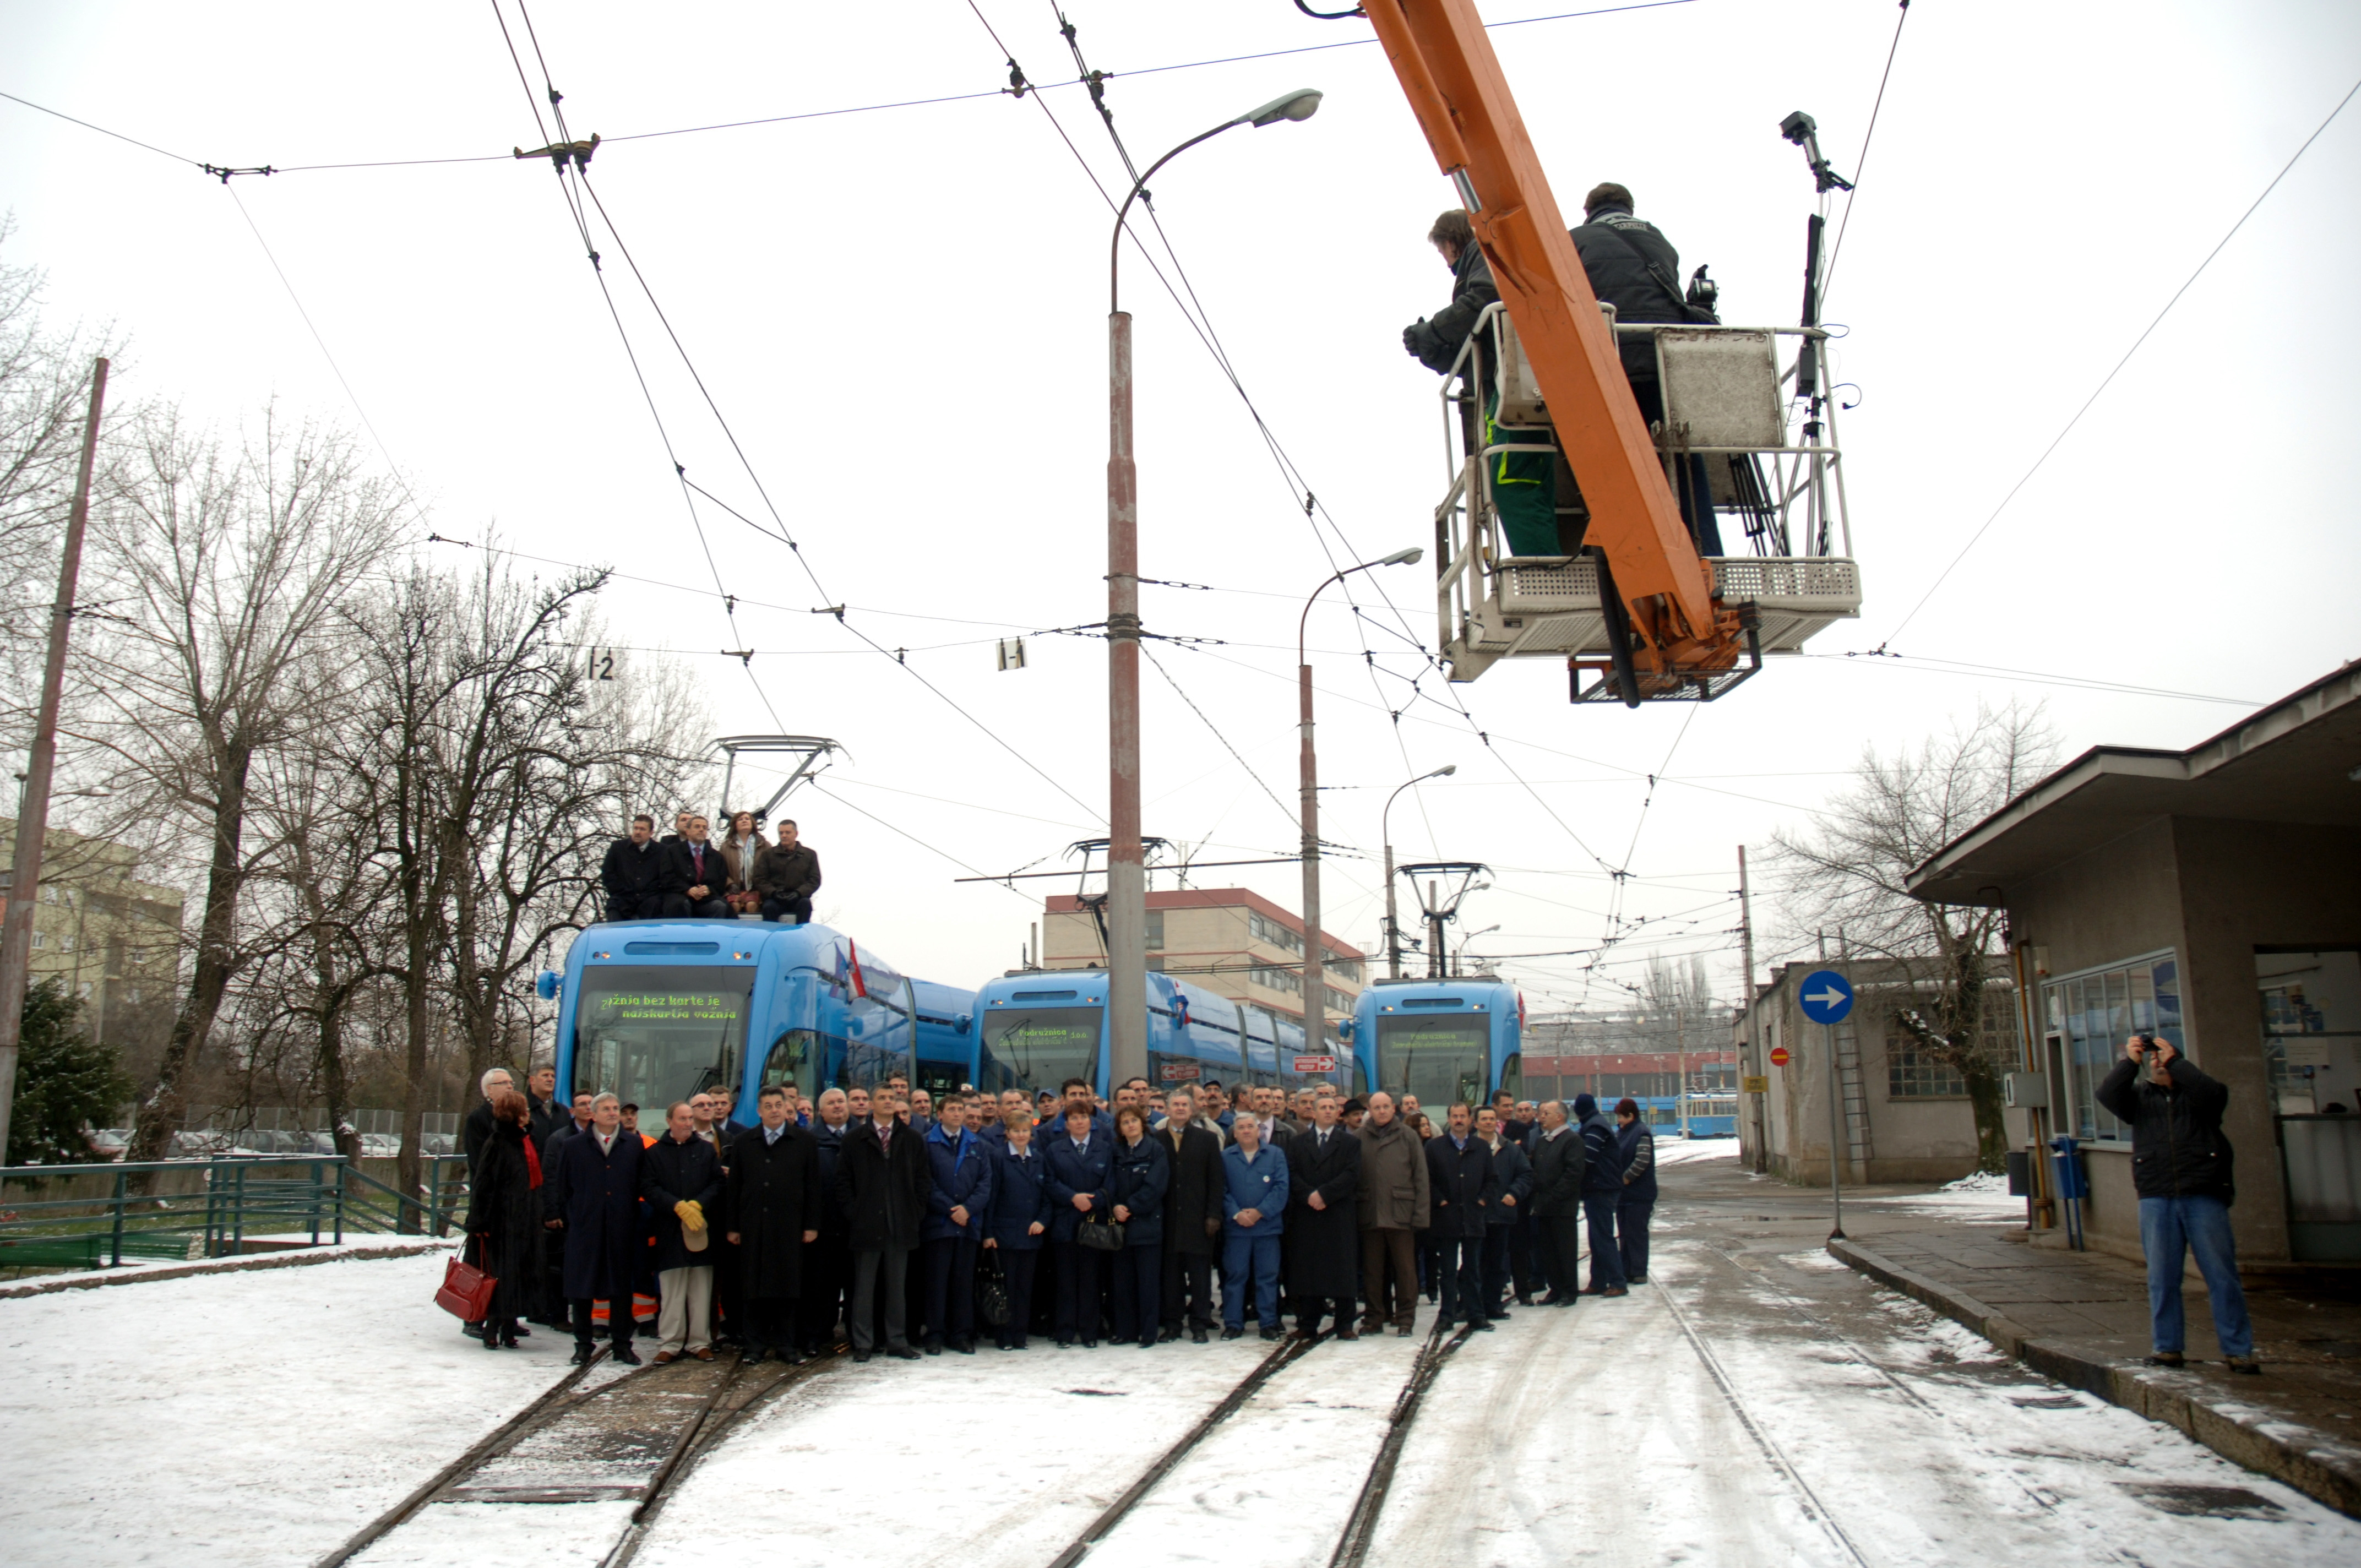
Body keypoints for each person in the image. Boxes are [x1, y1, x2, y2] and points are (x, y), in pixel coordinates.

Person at [1567, 182, 1723, 554]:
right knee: (1682, 457)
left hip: (1616, 359)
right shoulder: (1658, 240)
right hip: (1666, 361)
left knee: (1615, 459)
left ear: (1588, 211)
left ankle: (1622, 554)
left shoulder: (1576, 240)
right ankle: (1707, 554)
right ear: (1629, 208)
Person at [2096, 1034, 2259, 1373]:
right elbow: (2107, 1095)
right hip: (2157, 1195)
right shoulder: (2140, 1100)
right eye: (2152, 1060)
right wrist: (2130, 1063)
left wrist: (2175, 1061)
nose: (2156, 1063)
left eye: (2162, 1059)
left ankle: (2238, 1350)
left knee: (2221, 1276)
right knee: (2162, 1277)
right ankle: (2167, 1347)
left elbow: (2213, 1094)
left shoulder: (2200, 1097)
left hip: (2203, 1193)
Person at [722, 1085, 821, 1364]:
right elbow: (735, 1187)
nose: (775, 1111)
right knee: (752, 1288)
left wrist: (812, 1225)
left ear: (786, 1108)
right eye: (768, 1106)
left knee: (788, 1288)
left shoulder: (804, 1141)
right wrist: (733, 1226)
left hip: (790, 1226)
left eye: (779, 1105)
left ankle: (786, 1345)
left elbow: (813, 1186)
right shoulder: (744, 1142)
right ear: (759, 1111)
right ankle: (754, 1346)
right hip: (753, 1226)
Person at [546, 1092, 645, 1365]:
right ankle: (583, 1344)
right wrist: (576, 1214)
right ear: (594, 1114)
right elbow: (563, 1186)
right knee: (582, 1288)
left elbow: (641, 1182)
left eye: (616, 1108)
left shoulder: (633, 1145)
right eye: (607, 1109)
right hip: (585, 1227)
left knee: (621, 1288)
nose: (613, 1113)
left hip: (621, 1227)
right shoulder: (574, 1146)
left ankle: (622, 1344)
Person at [838, 1084, 931, 1362]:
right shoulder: (854, 1139)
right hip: (866, 1225)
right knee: (864, 1289)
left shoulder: (912, 1139)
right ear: (871, 1104)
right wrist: (854, 1213)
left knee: (896, 1289)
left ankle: (897, 1341)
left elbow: (923, 1180)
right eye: (882, 1098)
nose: (888, 1102)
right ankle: (864, 1343)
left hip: (900, 1224)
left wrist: (915, 1211)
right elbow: (843, 1182)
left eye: (892, 1098)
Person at [641, 1101, 723, 1363]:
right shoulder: (655, 1153)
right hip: (670, 1230)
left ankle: (700, 1342)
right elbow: (649, 1187)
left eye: (690, 1118)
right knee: (672, 1291)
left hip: (700, 1229)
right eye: (682, 1119)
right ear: (670, 1122)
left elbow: (717, 1183)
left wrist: (699, 1204)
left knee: (701, 1289)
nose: (688, 1123)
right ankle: (671, 1343)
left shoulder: (706, 1150)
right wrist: (675, 1206)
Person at [464, 1088, 546, 1349]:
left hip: (525, 1219)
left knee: (520, 1273)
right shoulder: (498, 1142)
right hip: (502, 1222)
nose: (528, 1114)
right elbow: (484, 1184)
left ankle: (509, 1326)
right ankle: (493, 1328)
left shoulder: (525, 1140)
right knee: (503, 1276)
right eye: (524, 1110)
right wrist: (478, 1222)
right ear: (515, 1114)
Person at [921, 1091, 995, 1355]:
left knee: (963, 1283)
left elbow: (985, 1183)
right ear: (939, 1114)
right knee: (936, 1283)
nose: (956, 1114)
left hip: (968, 1225)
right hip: (939, 1225)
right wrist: (950, 1209)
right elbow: (925, 1182)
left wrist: (967, 1209)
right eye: (951, 1109)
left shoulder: (978, 1145)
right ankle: (935, 1334)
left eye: (959, 1110)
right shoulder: (927, 1143)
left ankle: (961, 1334)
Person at [1285, 1090, 1361, 1340]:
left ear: (1338, 1113)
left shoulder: (1350, 1143)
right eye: (1323, 1107)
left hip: (1337, 1213)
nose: (1328, 1111)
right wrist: (1309, 1195)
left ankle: (1345, 1324)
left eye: (1331, 1108)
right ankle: (1308, 1323)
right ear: (1314, 1112)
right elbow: (1292, 1173)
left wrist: (1325, 1195)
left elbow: (1351, 1174)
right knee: (1309, 1270)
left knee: (1342, 1269)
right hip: (1308, 1214)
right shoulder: (1298, 1143)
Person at [1153, 1087, 1225, 1344]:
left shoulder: (1207, 1139)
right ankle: (1173, 1324)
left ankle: (1199, 1323)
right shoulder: (1156, 1139)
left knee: (1200, 1277)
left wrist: (1214, 1214)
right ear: (1168, 1109)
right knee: (1171, 1277)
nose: (1181, 1109)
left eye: (1185, 1105)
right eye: (1176, 1105)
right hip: (1168, 1220)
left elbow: (1216, 1180)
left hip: (1199, 1219)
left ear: (1192, 1109)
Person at [1356, 1092, 1427, 1337]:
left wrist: (1421, 1215)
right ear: (1370, 1110)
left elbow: (1421, 1176)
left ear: (1394, 1108)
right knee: (1373, 1272)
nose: (1382, 1111)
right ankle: (1374, 1317)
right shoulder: (1359, 1137)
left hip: (1401, 1214)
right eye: (1377, 1108)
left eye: (1386, 1106)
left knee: (1405, 1271)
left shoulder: (1408, 1136)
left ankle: (1405, 1318)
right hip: (1370, 1213)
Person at [1045, 1104, 1114, 1348]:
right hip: (1065, 1223)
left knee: (1090, 1280)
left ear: (1091, 1121)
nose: (1079, 1121)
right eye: (1074, 1118)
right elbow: (1050, 1182)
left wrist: (1093, 1201)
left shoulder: (1104, 1149)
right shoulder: (1055, 1150)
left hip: (1094, 1224)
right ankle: (1065, 1332)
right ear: (1066, 1124)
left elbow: (1110, 1184)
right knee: (1065, 1282)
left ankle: (1089, 1332)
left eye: (1083, 1117)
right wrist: (1073, 1197)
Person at [985, 1107, 1054, 1350]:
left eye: (1025, 1131)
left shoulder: (1039, 1159)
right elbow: (991, 1197)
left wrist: (1042, 1220)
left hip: (1031, 1234)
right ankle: (1004, 1335)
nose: (1021, 1135)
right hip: (1004, 1234)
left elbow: (1047, 1195)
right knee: (1007, 1287)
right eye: (1016, 1131)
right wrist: (988, 1232)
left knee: (1025, 1288)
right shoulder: (998, 1157)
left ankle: (1020, 1335)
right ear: (1008, 1133)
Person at [1426, 1102, 1497, 1332]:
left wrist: (1482, 1200)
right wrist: (1440, 1201)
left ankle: (1476, 1315)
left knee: (1472, 1270)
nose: (1458, 1120)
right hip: (1446, 1218)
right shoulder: (1435, 1147)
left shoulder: (1481, 1147)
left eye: (1463, 1116)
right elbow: (1427, 1180)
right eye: (1454, 1116)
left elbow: (1492, 1178)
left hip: (1473, 1217)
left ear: (1470, 1121)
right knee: (1447, 1271)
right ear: (1449, 1119)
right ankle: (1447, 1316)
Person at [1220, 1113, 1290, 1341]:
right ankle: (1233, 1323)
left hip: (1267, 1228)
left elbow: (1281, 1187)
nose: (1247, 1131)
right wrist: (1236, 1214)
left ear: (1259, 1131)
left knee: (1267, 1277)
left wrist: (1260, 1212)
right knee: (1235, 1277)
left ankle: (1268, 1323)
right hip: (1237, 1229)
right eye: (1242, 1127)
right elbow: (1221, 1190)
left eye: (1251, 1126)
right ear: (1235, 1133)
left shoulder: (1275, 1155)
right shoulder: (1225, 1157)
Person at [1108, 1104, 1171, 1349]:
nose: (1130, 1125)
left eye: (1134, 1120)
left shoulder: (1155, 1150)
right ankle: (1126, 1331)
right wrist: (1115, 1206)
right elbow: (1109, 1183)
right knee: (1123, 1283)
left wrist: (1131, 1207)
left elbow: (1155, 1187)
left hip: (1147, 1226)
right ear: (1120, 1129)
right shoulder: (1116, 1151)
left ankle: (1148, 1332)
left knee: (1148, 1283)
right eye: (1125, 1122)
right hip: (1121, 1228)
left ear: (1142, 1124)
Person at [798, 1087, 854, 1357]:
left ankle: (857, 1335)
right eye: (831, 1103)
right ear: (820, 1111)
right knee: (820, 1287)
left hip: (855, 1226)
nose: (837, 1106)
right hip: (823, 1227)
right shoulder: (810, 1140)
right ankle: (816, 1335)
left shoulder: (861, 1136)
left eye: (841, 1101)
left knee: (855, 1286)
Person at [1527, 1099, 1586, 1306]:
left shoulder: (1572, 1140)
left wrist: (1555, 1196)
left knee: (1565, 1251)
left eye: (1546, 1114)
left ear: (1559, 1117)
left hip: (1562, 1207)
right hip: (1543, 1206)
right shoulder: (1542, 1141)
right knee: (1548, 1251)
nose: (1541, 1118)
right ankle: (1555, 1289)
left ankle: (1569, 1291)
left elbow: (1573, 1173)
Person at [1477, 1105, 1533, 1320]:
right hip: (1475, 1215)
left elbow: (1526, 1175)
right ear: (1476, 1123)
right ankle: (1471, 1304)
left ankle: (1493, 1305)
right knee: (1474, 1263)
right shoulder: (1468, 1147)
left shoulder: (1510, 1149)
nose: (1488, 1123)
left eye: (1492, 1119)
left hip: (1501, 1213)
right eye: (1484, 1119)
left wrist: (1514, 1193)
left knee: (1497, 1263)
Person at [1575, 1093, 1628, 1297]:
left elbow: (1587, 1157)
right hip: (1599, 1187)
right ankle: (1598, 1281)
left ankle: (1618, 1282)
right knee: (1597, 1237)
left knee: (1603, 1237)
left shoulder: (1595, 1127)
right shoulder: (1595, 1123)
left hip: (1601, 1187)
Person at [1613, 1097, 1657, 1286]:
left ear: (1631, 1116)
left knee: (1637, 1234)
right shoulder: (1623, 1133)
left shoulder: (1641, 1133)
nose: (1618, 1121)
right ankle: (1627, 1270)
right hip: (1625, 1195)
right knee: (1625, 1234)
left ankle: (1639, 1271)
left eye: (1621, 1117)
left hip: (1639, 1194)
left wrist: (1625, 1179)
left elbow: (1642, 1161)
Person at [601, 815, 677, 922]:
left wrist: (653, 891)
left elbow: (667, 877)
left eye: (642, 829)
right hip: (622, 897)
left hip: (651, 900)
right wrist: (621, 890)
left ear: (651, 833)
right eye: (636, 828)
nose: (638, 832)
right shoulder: (617, 848)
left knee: (659, 908)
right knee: (613, 908)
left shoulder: (663, 851)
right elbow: (607, 874)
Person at [752, 819, 823, 925]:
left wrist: (799, 893)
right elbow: (759, 879)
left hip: (799, 898)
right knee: (768, 907)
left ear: (796, 834)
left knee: (805, 904)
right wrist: (773, 893)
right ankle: (771, 934)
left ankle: (800, 933)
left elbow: (814, 880)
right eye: (781, 833)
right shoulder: (768, 855)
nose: (784, 836)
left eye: (788, 833)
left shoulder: (809, 855)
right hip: (775, 899)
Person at [663, 816, 730, 920]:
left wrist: (709, 889)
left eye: (704, 828)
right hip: (680, 896)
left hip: (706, 898)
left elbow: (721, 881)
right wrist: (687, 890)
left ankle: (713, 931)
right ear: (688, 831)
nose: (701, 830)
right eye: (697, 827)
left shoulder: (716, 856)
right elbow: (667, 877)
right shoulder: (672, 852)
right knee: (680, 905)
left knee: (720, 906)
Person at [716, 810, 768, 916]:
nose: (744, 821)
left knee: (751, 905)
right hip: (733, 888)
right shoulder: (726, 846)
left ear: (753, 824)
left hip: (756, 888)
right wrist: (730, 884)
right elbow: (720, 869)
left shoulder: (764, 845)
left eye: (747, 819)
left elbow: (769, 868)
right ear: (735, 825)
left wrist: (759, 884)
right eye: (740, 819)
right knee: (734, 906)